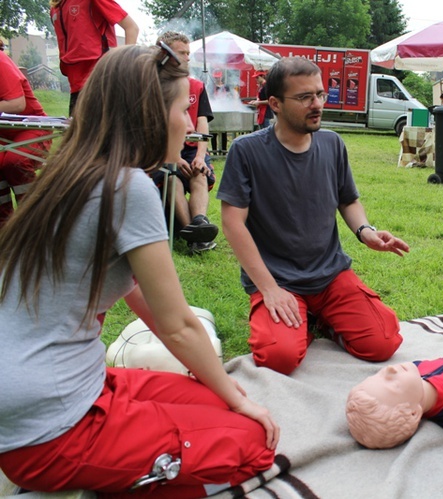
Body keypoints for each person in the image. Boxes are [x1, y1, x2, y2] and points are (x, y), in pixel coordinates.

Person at [0, 45, 278, 497]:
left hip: (48, 393)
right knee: (250, 441)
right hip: (47, 430)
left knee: (219, 403)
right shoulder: (127, 188)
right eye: (182, 110)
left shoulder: (70, 171)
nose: (190, 125)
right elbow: (178, 327)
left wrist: (229, 394)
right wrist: (243, 402)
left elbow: (146, 304)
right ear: (149, 114)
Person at [217, 57, 409, 376]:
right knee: (279, 358)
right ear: (275, 103)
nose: (317, 104)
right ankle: (295, 322)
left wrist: (365, 231)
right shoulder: (246, 151)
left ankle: (319, 320)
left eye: (320, 94)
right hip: (278, 279)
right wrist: (269, 289)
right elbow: (232, 222)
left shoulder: (332, 143)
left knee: (384, 342)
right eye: (305, 97)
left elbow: (348, 200)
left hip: (329, 274)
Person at [151, 31, 218, 253]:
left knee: (200, 172)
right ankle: (196, 235)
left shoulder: (196, 86)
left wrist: (200, 156)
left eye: (189, 53)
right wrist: (175, 157)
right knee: (173, 180)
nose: (188, 57)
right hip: (165, 151)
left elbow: (202, 124)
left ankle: (198, 223)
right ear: (166, 54)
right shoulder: (155, 85)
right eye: (182, 53)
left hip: (191, 149)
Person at [50, 0, 139, 115]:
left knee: (105, 130)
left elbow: (132, 28)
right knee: (78, 131)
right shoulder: (55, 7)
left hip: (102, 82)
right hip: (76, 85)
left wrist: (125, 68)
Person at [0, 50, 51, 228]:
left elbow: (17, 103)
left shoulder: (1, 61)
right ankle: (5, 228)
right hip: (4, 134)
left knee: (15, 161)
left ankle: (34, 220)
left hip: (33, 127)